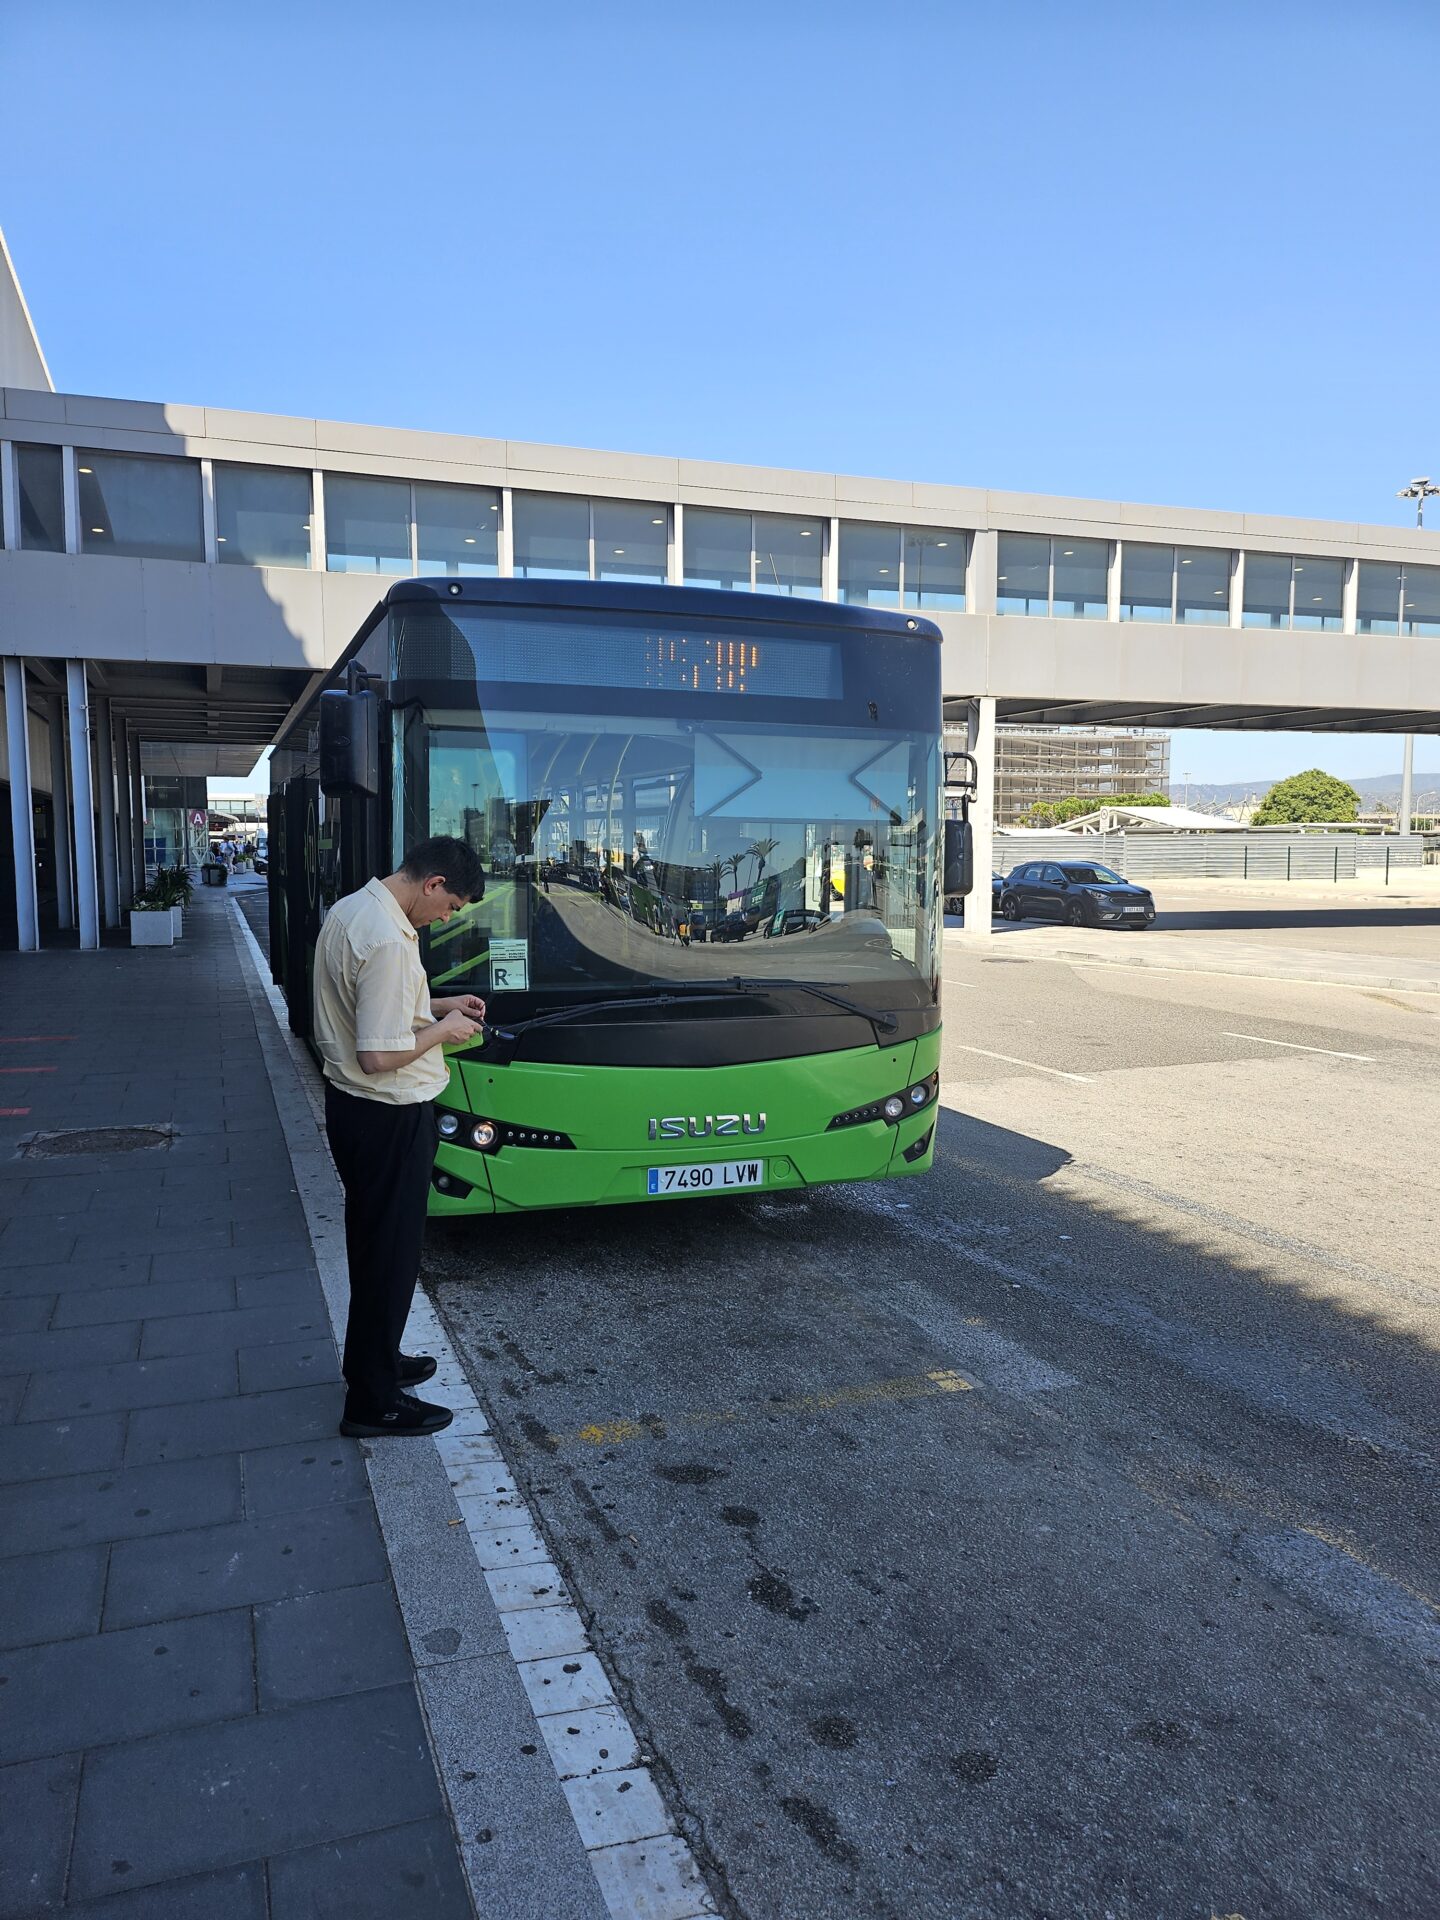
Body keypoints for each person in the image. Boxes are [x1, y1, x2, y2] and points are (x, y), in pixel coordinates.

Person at [313, 836, 487, 1437]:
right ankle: (373, 1402)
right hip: (387, 1113)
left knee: (372, 1245)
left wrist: (439, 1004)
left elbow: (376, 1004)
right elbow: (379, 1054)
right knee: (389, 1257)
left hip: (355, 1112)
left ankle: (372, 1363)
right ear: (433, 883)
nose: (445, 919)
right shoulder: (389, 939)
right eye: (450, 907)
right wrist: (444, 1032)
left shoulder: (356, 909)